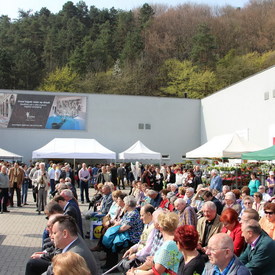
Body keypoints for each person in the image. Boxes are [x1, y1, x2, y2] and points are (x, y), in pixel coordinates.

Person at [102, 195, 144, 271]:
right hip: (126, 235)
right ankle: (109, 264)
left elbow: (124, 228)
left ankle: (112, 266)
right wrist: (111, 228)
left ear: (127, 204)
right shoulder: (129, 212)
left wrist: (113, 231)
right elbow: (120, 222)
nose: (123, 204)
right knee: (110, 241)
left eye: (124, 203)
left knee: (113, 245)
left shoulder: (133, 214)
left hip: (132, 238)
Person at [121, 204, 155, 270]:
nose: (140, 218)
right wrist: (132, 248)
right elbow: (141, 241)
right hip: (140, 253)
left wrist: (136, 255)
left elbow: (148, 248)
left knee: (128, 265)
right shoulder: (146, 225)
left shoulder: (153, 228)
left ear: (149, 214)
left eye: (142, 215)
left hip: (146, 257)